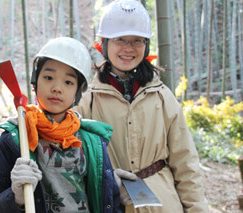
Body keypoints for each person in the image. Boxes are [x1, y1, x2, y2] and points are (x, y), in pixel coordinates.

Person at [74, 0, 209, 212]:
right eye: (120, 39)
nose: (128, 48)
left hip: (163, 204)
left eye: (137, 40)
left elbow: (186, 164)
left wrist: (197, 209)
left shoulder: (162, 97)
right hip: (111, 201)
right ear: (105, 43)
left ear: (146, 45)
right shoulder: (86, 100)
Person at [0, 37, 121, 213]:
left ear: (78, 91)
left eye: (68, 82)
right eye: (48, 77)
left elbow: (109, 203)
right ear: (35, 82)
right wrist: (15, 198)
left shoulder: (92, 142)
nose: (57, 88)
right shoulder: (14, 139)